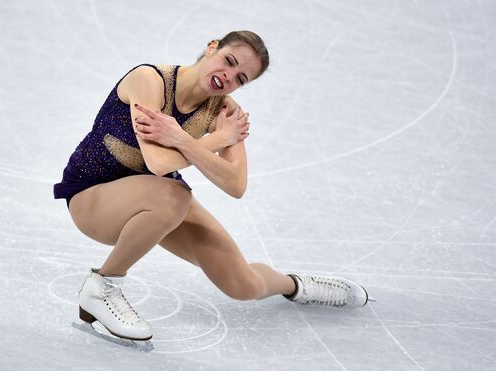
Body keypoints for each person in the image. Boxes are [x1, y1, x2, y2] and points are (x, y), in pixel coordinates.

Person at [53, 31, 369, 342]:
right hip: (91, 196)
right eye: (228, 61)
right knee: (175, 194)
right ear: (211, 47)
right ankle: (103, 285)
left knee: (243, 284)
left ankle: (296, 285)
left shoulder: (226, 114)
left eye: (240, 78)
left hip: (155, 199)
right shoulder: (150, 81)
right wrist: (216, 140)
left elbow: (235, 184)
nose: (227, 77)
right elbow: (159, 163)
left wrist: (180, 138)